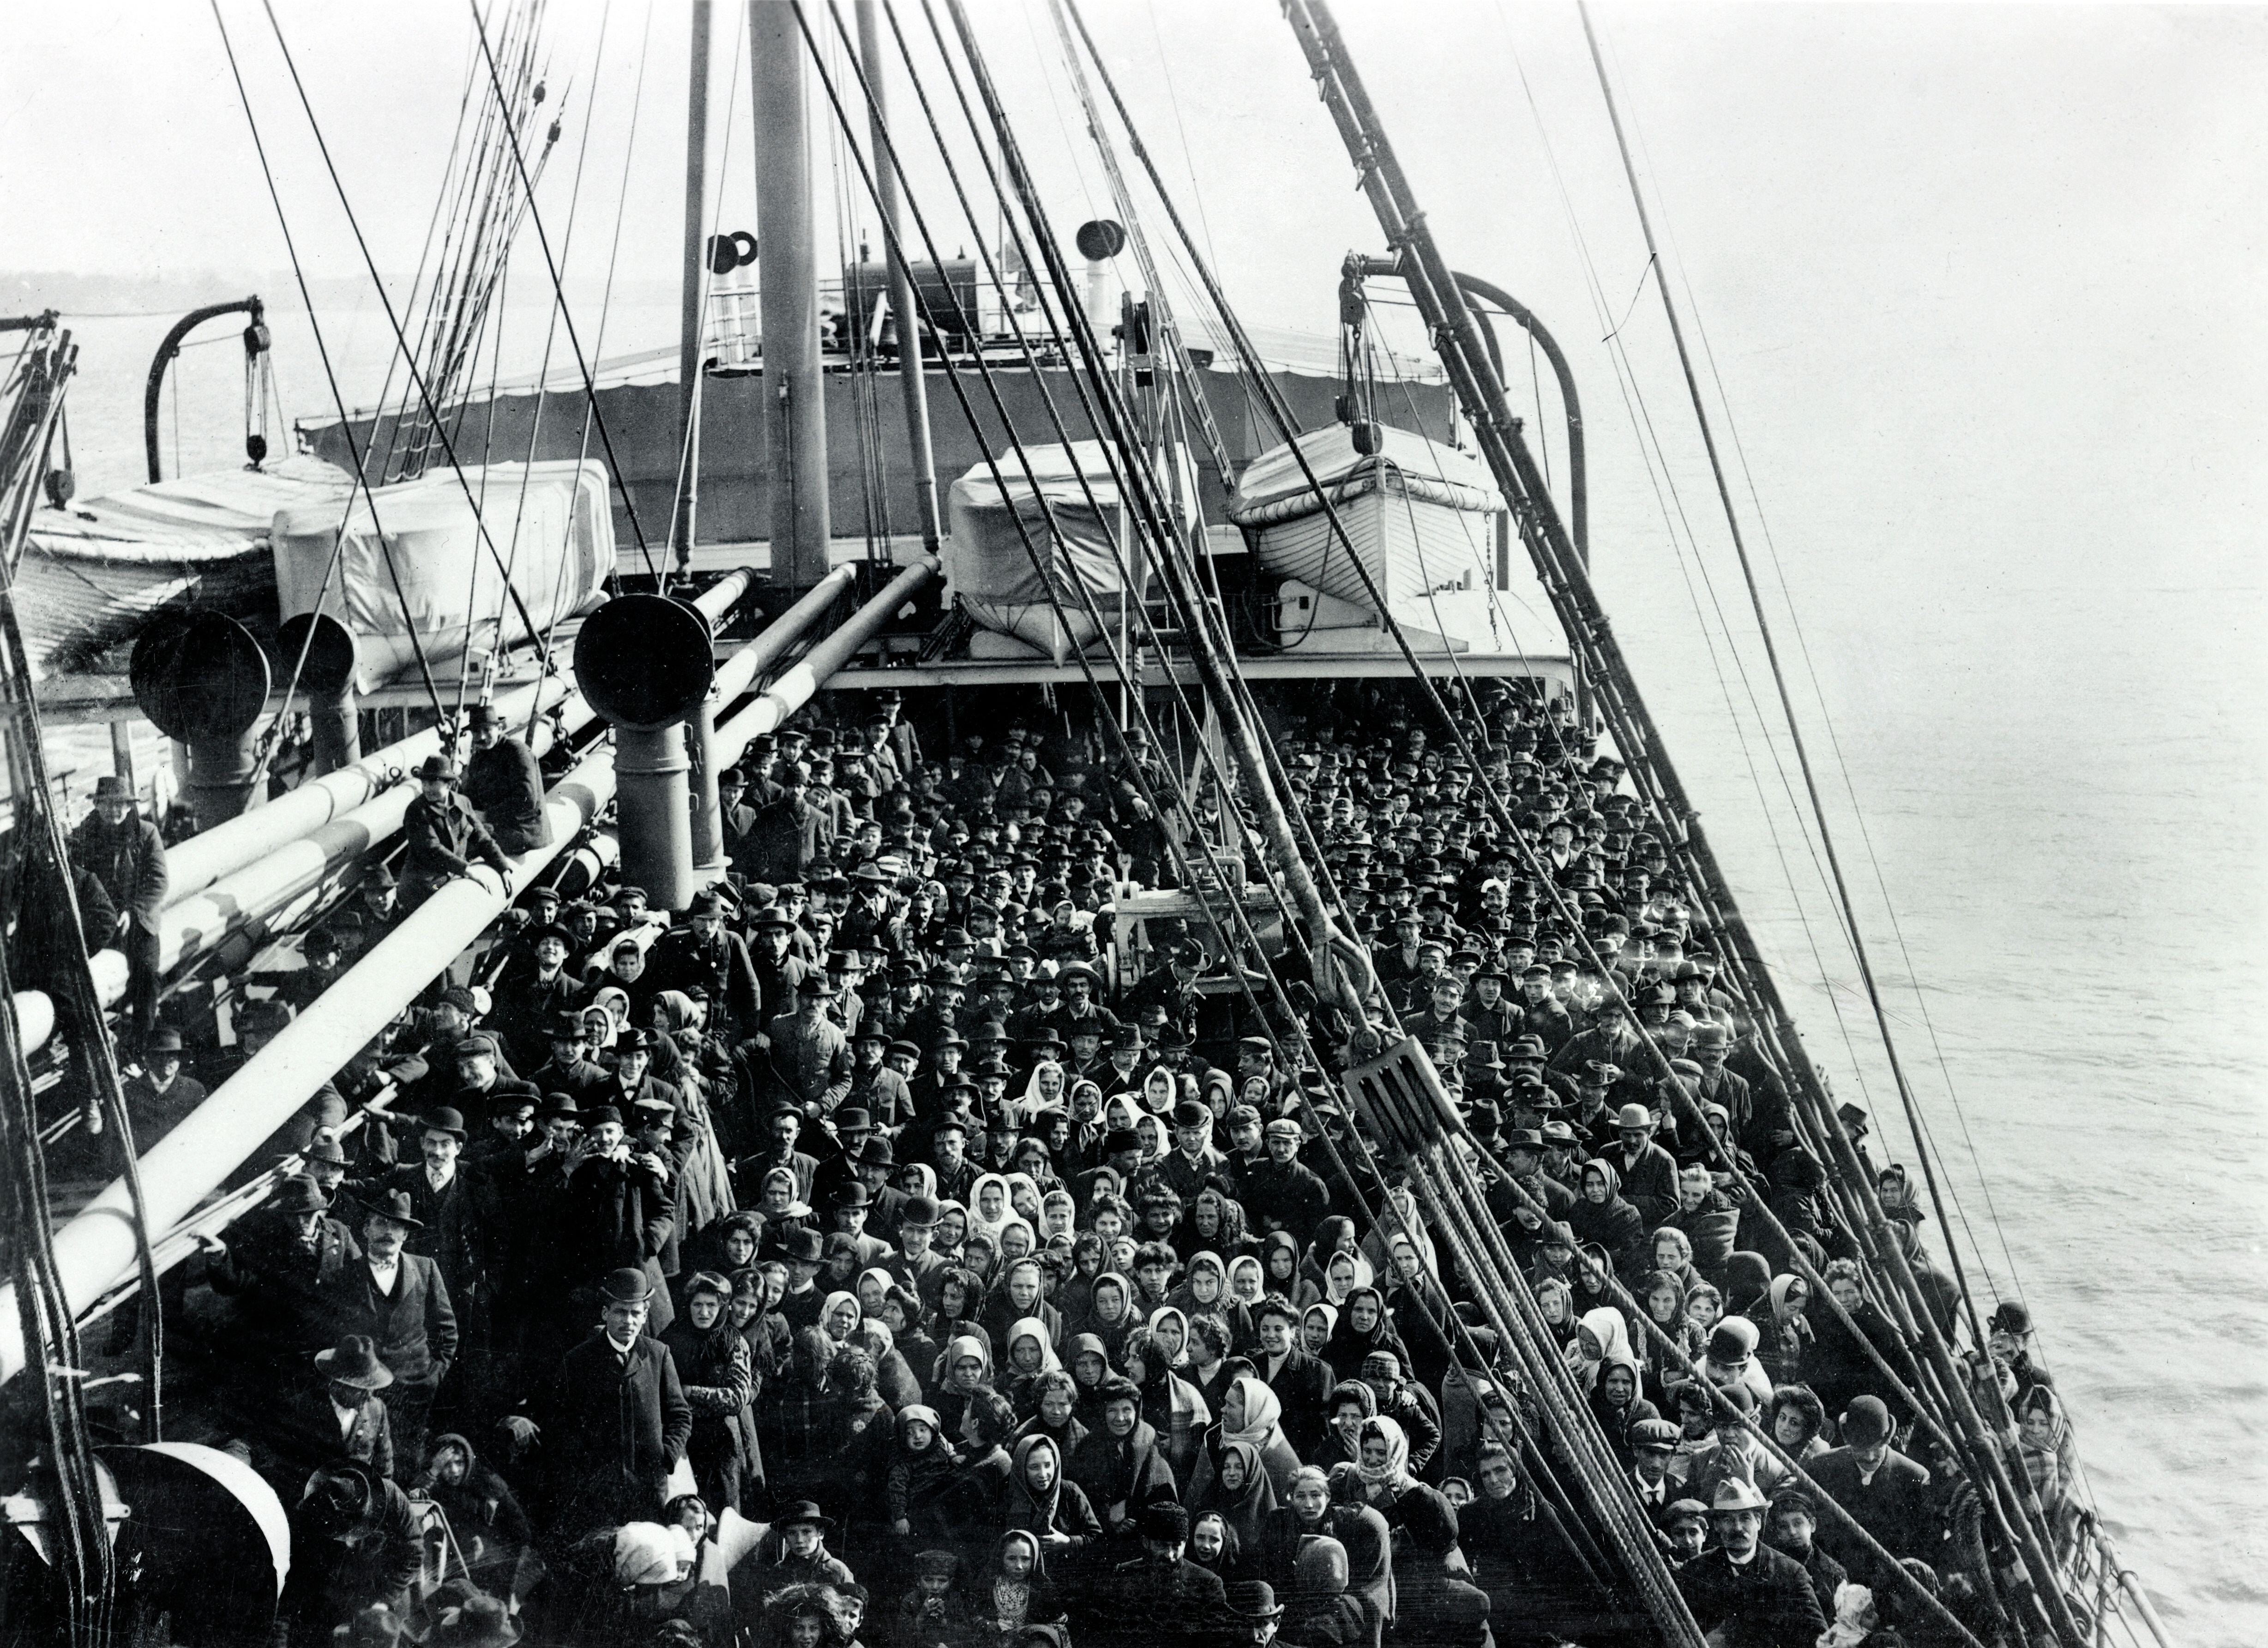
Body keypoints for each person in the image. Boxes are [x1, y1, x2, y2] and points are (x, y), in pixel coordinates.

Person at [544, 1267, 694, 1537]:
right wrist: (585, 1472)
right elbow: (559, 1424)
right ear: (605, 1313)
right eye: (620, 1312)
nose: (629, 1321)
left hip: (648, 1487)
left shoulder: (658, 1355)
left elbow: (680, 1415)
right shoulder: (578, 1361)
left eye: (636, 1313)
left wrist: (666, 1456)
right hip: (597, 1493)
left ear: (646, 1315)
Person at [314, 1189, 457, 1474]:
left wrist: (434, 1373)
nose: (389, 1232)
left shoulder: (425, 1268)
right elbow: (330, 1331)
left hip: (415, 1389)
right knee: (366, 1463)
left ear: (406, 1234)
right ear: (366, 1229)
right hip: (365, 1392)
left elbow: (446, 1329)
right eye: (381, 1223)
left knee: (407, 1463)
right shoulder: (346, 1275)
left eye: (397, 1226)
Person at [70, 773, 167, 1047]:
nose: (116, 810)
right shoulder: (83, 837)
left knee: (147, 975)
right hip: (100, 922)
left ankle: (141, 1045)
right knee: (86, 978)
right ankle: (100, 1037)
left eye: (122, 805)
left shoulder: (146, 833)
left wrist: (131, 912)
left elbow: (158, 881)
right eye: (109, 804)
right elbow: (76, 881)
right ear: (97, 805)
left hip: (139, 922)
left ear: (129, 806)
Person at [1672, 1479, 1828, 1648]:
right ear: (1717, 1526)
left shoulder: (1791, 1574)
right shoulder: (1694, 1571)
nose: (1738, 1528)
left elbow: (1819, 1640)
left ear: (1759, 1522)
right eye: (1728, 1520)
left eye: (1745, 1518)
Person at [400, 756, 513, 913]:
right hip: (426, 885)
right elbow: (431, 848)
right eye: (424, 783)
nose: (426, 789)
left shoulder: (463, 803)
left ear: (449, 784)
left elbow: (482, 838)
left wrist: (502, 867)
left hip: (453, 876)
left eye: (432, 783)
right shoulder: (417, 811)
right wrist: (466, 869)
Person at [461, 702, 550, 855]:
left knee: (467, 849)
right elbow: (471, 799)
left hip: (524, 831)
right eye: (476, 731)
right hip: (498, 827)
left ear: (500, 729)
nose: (482, 737)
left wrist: (488, 816)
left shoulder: (516, 751)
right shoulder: (478, 759)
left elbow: (526, 800)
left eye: (487, 730)